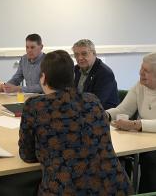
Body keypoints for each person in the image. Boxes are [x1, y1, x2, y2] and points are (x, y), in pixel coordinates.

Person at [19, 50, 132, 195]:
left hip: (66, 190)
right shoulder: (93, 100)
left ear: (43, 78)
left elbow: (27, 155)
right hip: (115, 188)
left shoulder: (35, 106)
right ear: (73, 76)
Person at [107, 52, 156, 193]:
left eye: (146, 71)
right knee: (115, 156)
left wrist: (137, 124)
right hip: (145, 139)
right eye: (141, 68)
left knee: (151, 159)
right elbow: (124, 110)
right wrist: (104, 115)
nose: (140, 73)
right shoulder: (140, 86)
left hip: (152, 144)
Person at [72, 39, 119, 109]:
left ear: (94, 53)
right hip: (82, 110)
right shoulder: (75, 69)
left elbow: (97, 102)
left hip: (103, 113)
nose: (80, 58)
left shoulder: (105, 73)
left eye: (84, 54)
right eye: (76, 55)